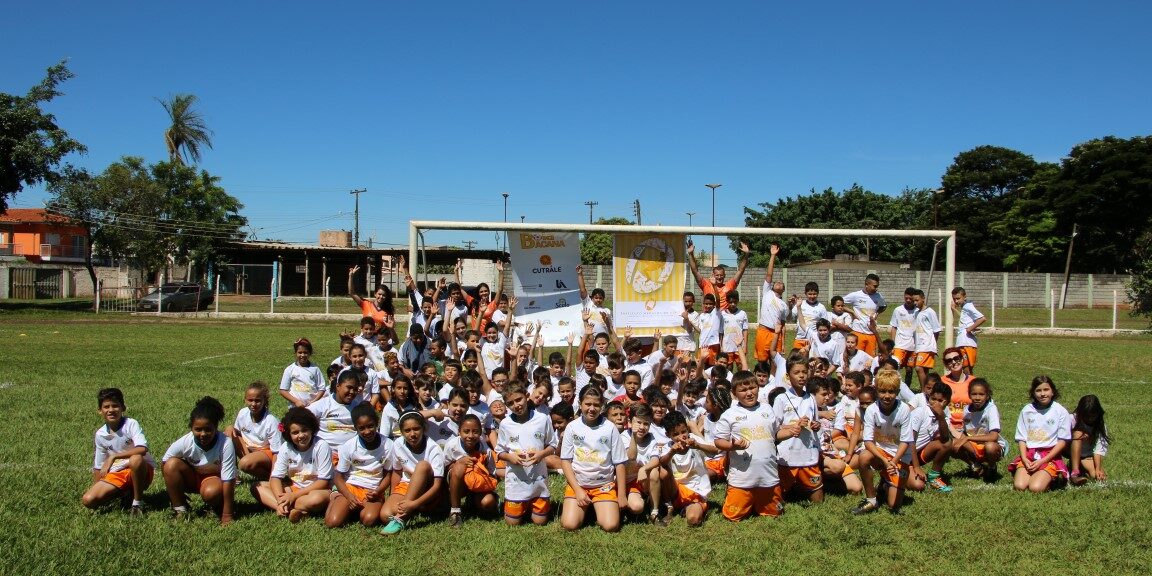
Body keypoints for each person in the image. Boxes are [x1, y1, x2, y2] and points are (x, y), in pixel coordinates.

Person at [714, 370, 784, 521]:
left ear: (758, 387)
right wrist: (732, 446)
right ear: (734, 393)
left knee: (776, 513)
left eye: (752, 388)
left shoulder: (767, 409)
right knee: (732, 516)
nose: (749, 393)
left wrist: (792, 431)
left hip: (769, 477)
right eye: (743, 390)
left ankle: (758, 502)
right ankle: (747, 500)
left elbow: (776, 434)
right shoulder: (729, 414)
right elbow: (718, 441)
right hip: (742, 478)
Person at [560, 385, 628, 532]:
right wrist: (578, 490)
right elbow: (565, 460)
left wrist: (621, 495)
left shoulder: (610, 428)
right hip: (579, 484)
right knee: (569, 524)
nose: (592, 408)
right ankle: (587, 505)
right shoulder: (572, 427)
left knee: (611, 526)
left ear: (602, 406)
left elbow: (620, 463)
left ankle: (596, 505)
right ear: (580, 404)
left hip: (604, 486)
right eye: (588, 404)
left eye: (596, 405)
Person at [161, 396, 237, 524]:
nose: (203, 434)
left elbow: (229, 480)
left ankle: (218, 505)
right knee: (171, 464)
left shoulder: (225, 443)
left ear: (216, 427)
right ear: (191, 428)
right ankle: (180, 509)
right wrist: (176, 490)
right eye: (198, 429)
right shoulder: (186, 441)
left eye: (208, 429)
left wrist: (227, 515)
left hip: (213, 480)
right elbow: (164, 462)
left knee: (211, 493)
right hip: (193, 477)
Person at [82, 388, 155, 515]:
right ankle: (123, 493)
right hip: (118, 472)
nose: (111, 410)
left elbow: (142, 449)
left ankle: (137, 503)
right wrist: (98, 487)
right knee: (88, 500)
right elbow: (98, 467)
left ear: (123, 408)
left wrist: (114, 456)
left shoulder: (131, 424)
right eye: (106, 407)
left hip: (140, 470)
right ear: (100, 411)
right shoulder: (100, 434)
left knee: (136, 458)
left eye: (115, 406)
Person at [852, 370, 914, 515]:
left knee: (893, 505)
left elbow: (906, 441)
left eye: (891, 392)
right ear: (876, 390)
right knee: (864, 456)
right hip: (880, 452)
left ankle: (886, 484)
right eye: (883, 391)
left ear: (898, 391)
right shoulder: (872, 410)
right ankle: (871, 500)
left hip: (899, 455)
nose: (887, 396)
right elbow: (868, 441)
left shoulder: (904, 410)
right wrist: (885, 461)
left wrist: (894, 461)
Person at [257, 407, 333, 522]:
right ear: (289, 434)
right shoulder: (286, 447)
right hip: (294, 488)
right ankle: (287, 508)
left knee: (316, 500)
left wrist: (293, 496)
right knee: (257, 487)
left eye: (304, 430)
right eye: (295, 432)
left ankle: (288, 508)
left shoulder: (321, 446)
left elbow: (323, 481)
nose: (301, 435)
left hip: (315, 490)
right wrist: (280, 498)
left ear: (312, 429)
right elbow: (276, 477)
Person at [324, 403, 394, 528]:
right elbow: (338, 476)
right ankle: (339, 501)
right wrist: (349, 496)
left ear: (376, 423)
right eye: (361, 428)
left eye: (370, 426)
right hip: (351, 487)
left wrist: (378, 491)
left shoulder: (388, 445)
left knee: (369, 520)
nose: (367, 431)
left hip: (372, 490)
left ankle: (355, 509)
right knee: (332, 522)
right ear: (355, 428)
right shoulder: (349, 446)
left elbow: (388, 474)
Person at [380, 411, 446, 535]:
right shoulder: (398, 444)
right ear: (401, 432)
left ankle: (401, 518)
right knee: (385, 515)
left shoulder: (433, 448)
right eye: (407, 430)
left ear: (424, 429)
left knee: (422, 465)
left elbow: (437, 486)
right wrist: (393, 494)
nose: (412, 434)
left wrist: (413, 504)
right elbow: (397, 472)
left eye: (416, 429)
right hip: (406, 485)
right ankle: (411, 510)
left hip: (427, 488)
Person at [772, 358, 824, 503]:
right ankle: (793, 487)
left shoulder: (811, 398)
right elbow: (775, 428)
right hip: (788, 456)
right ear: (788, 376)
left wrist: (816, 425)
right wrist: (794, 426)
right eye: (796, 372)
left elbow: (816, 420)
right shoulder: (781, 399)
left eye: (804, 372)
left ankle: (800, 486)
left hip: (809, 455)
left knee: (818, 501)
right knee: (779, 499)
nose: (801, 376)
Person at [652, 410, 715, 527]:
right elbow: (662, 461)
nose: (681, 436)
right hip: (675, 490)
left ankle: (689, 508)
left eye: (683, 431)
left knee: (693, 520)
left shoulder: (695, 441)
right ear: (668, 435)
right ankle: (669, 505)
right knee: (662, 470)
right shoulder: (668, 447)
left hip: (696, 491)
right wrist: (672, 452)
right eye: (675, 434)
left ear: (688, 429)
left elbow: (714, 452)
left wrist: (698, 446)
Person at [1009, 376, 1071, 493]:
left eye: (1046, 390)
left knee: (1035, 488)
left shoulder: (1060, 411)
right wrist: (1024, 458)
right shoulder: (1027, 410)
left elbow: (1063, 441)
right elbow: (1021, 438)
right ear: (1033, 393)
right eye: (1038, 390)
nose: (1042, 394)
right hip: (1030, 455)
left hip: (1049, 457)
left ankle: (1051, 477)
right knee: (1019, 486)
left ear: (1052, 391)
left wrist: (1042, 461)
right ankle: (1032, 474)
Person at [444, 414, 499, 527]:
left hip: (478, 485)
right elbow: (443, 469)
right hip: (458, 484)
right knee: (459, 466)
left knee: (488, 502)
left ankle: (473, 501)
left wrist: (479, 470)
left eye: (475, 431)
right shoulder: (452, 445)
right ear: (459, 432)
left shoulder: (485, 450)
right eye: (466, 431)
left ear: (480, 433)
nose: (470, 435)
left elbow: (492, 473)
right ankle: (455, 511)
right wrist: (460, 463)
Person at [225, 380, 281, 481]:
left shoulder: (271, 421)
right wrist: (230, 428)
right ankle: (232, 474)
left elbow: (277, 452)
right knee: (229, 434)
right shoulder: (243, 413)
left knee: (245, 463)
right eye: (250, 400)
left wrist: (275, 476)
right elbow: (237, 433)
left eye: (258, 400)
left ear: (265, 401)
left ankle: (271, 478)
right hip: (249, 450)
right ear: (245, 399)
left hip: (266, 453)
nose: (253, 404)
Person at [955, 378, 1007, 481]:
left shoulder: (991, 409)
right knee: (952, 443)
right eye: (974, 394)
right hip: (975, 445)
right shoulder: (966, 410)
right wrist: (961, 440)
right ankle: (975, 465)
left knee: (990, 446)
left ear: (987, 395)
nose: (977, 397)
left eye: (981, 394)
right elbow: (965, 432)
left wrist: (967, 439)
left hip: (991, 446)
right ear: (969, 395)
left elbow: (993, 436)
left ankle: (992, 467)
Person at [907, 382, 954, 493]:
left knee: (946, 443)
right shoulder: (920, 412)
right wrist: (917, 467)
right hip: (903, 456)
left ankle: (934, 477)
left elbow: (945, 437)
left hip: (918, 454)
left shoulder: (944, 414)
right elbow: (910, 441)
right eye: (933, 399)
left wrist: (941, 417)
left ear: (947, 402)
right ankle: (891, 480)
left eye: (940, 401)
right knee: (919, 486)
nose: (936, 403)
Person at [622, 403, 666, 521]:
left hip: (641, 481)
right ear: (630, 422)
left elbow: (655, 459)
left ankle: (654, 511)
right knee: (636, 507)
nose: (642, 427)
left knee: (654, 472)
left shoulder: (651, 438)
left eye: (646, 423)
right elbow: (631, 456)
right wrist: (633, 437)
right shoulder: (624, 436)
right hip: (624, 481)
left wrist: (644, 468)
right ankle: (626, 505)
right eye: (639, 422)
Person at [687, 239, 750, 309]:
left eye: (721, 275)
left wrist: (746, 254)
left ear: (724, 276)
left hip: (724, 317)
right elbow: (695, 270)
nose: (719, 277)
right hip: (709, 317)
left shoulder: (729, 285)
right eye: (717, 275)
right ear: (713, 275)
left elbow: (740, 271)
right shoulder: (706, 284)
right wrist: (690, 254)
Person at [755, 244, 788, 363]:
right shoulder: (767, 292)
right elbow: (769, 275)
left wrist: (783, 343)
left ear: (783, 290)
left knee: (775, 362)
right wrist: (773, 255)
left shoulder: (784, 305)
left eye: (781, 283)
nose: (778, 283)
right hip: (763, 331)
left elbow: (783, 325)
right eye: (776, 282)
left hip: (776, 334)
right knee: (762, 362)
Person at [1068, 395, 1109, 485]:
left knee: (1098, 477)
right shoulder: (1071, 419)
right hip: (1067, 450)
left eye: (1093, 416)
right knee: (1078, 433)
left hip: (1086, 454)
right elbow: (1060, 437)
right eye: (1087, 416)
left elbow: (1099, 449)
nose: (1090, 419)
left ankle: (1080, 467)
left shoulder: (1100, 425)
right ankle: (1075, 472)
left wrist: (1098, 468)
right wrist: (1075, 435)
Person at [842, 274, 886, 356]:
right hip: (858, 332)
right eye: (874, 286)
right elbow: (839, 302)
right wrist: (852, 312)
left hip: (871, 333)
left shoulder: (878, 296)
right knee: (856, 358)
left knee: (870, 360)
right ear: (866, 284)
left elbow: (883, 306)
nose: (876, 289)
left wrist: (877, 313)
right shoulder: (856, 295)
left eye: (877, 286)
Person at [279, 338, 326, 408]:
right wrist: (296, 401)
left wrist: (314, 402)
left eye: (305, 352)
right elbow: (283, 390)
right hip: (295, 407)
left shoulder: (315, 369)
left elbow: (322, 389)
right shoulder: (290, 369)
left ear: (310, 353)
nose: (303, 355)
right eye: (300, 352)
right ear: (295, 353)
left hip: (312, 407)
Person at [910, 289, 941, 390]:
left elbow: (936, 330)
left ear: (923, 299)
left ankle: (923, 390)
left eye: (917, 300)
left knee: (918, 368)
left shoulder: (930, 312)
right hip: (919, 346)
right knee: (924, 370)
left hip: (927, 346)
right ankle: (928, 390)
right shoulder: (917, 313)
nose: (915, 303)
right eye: (914, 300)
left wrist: (933, 345)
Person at [348, 264, 395, 329]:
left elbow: (390, 328)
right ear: (375, 294)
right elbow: (352, 293)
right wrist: (351, 276)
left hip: (379, 338)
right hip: (365, 337)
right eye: (379, 294)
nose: (381, 297)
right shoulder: (366, 304)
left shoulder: (387, 311)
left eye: (384, 295)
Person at [951, 287, 985, 374]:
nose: (956, 301)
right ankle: (970, 386)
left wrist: (970, 329)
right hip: (963, 342)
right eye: (954, 299)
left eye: (958, 298)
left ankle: (971, 386)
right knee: (964, 368)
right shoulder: (964, 307)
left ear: (964, 297)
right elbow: (965, 319)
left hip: (967, 343)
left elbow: (982, 318)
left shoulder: (968, 306)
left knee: (966, 369)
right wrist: (954, 309)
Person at [577, 265, 612, 337]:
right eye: (596, 298)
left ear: (603, 299)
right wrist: (580, 274)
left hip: (600, 340)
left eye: (600, 298)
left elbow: (610, 327)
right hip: (586, 338)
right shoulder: (587, 303)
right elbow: (583, 290)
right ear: (592, 298)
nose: (598, 300)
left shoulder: (607, 311)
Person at [790, 282, 826, 352]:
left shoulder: (821, 307)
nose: (812, 296)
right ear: (805, 293)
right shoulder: (800, 304)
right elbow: (790, 318)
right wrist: (790, 306)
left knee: (812, 362)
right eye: (810, 294)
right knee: (797, 361)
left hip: (813, 340)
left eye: (814, 294)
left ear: (818, 293)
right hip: (799, 339)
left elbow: (824, 326)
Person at [720, 291, 750, 364]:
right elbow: (721, 332)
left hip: (739, 346)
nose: (733, 304)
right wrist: (721, 346)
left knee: (740, 364)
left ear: (738, 301)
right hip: (727, 345)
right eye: (730, 302)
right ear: (727, 301)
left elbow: (745, 330)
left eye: (735, 302)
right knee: (728, 365)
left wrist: (745, 345)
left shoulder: (742, 314)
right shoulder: (722, 314)